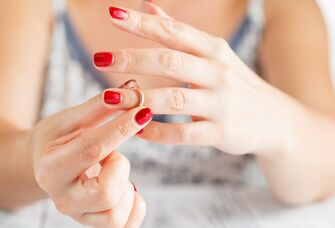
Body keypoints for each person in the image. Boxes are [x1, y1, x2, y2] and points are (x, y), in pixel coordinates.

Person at [1, 0, 335, 227]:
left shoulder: (278, 9)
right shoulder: (32, 6)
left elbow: (326, 168)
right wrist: (39, 160)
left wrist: (276, 124)